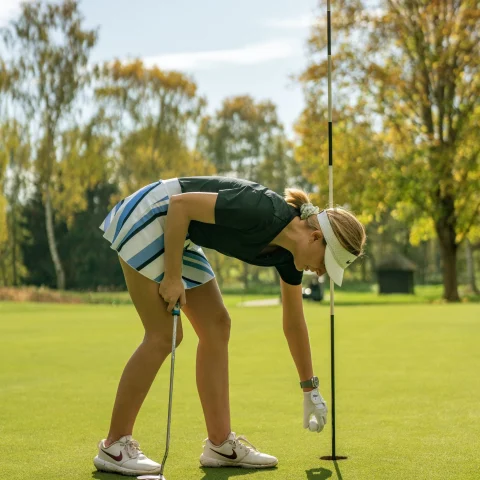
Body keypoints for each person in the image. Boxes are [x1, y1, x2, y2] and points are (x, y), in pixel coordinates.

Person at [93, 176, 366, 476]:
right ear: (315, 237)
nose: (321, 272)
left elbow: (293, 323)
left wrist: (309, 389)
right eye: (326, 262)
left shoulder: (290, 258)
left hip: (179, 232)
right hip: (153, 214)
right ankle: (114, 446)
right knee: (163, 335)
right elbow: (180, 205)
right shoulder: (261, 210)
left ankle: (220, 444)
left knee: (217, 325)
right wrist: (172, 276)